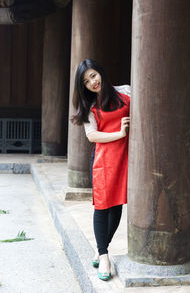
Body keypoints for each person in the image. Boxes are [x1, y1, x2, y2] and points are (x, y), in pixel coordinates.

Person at [71, 59, 130, 281]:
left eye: (93, 75)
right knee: (103, 206)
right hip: (104, 160)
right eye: (86, 81)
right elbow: (92, 136)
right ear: (83, 87)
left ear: (101, 73)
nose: (92, 82)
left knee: (117, 206)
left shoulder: (126, 92)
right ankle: (104, 255)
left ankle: (101, 247)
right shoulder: (89, 107)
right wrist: (120, 134)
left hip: (125, 158)